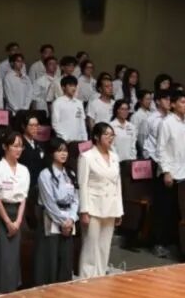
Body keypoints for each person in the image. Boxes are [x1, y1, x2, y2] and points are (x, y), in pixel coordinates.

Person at [76, 123, 124, 278]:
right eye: (106, 134)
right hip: (93, 207)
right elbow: (83, 185)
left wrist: (119, 210)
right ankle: (86, 278)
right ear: (96, 137)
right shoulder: (86, 157)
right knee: (91, 246)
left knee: (104, 246)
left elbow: (117, 185)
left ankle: (101, 276)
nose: (110, 138)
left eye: (112, 135)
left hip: (111, 206)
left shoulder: (115, 157)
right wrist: (84, 211)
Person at [35, 137, 79, 285]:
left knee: (66, 261)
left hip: (69, 220)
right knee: (50, 261)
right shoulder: (45, 174)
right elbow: (49, 202)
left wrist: (71, 219)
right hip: (52, 220)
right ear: (51, 153)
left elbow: (76, 199)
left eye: (65, 150)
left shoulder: (70, 173)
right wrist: (62, 222)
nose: (63, 154)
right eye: (59, 151)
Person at [153, 92, 185, 257]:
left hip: (184, 173)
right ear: (174, 104)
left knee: (178, 211)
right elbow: (160, 148)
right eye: (182, 102)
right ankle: (159, 243)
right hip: (169, 173)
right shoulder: (167, 123)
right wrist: (166, 171)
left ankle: (174, 243)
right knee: (164, 210)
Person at [0, 132, 28, 294]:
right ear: (5, 147)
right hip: (2, 214)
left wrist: (18, 222)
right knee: (2, 256)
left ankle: (12, 289)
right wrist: (7, 221)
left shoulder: (24, 170)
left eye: (21, 146)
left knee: (14, 256)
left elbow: (23, 198)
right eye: (15, 146)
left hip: (17, 214)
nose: (18, 149)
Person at [50, 76, 87, 143]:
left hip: (79, 140)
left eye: (75, 86)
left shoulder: (79, 103)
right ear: (63, 87)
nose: (73, 88)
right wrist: (65, 138)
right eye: (70, 85)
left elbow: (82, 122)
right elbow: (55, 124)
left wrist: (85, 138)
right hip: (64, 141)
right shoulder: (57, 103)